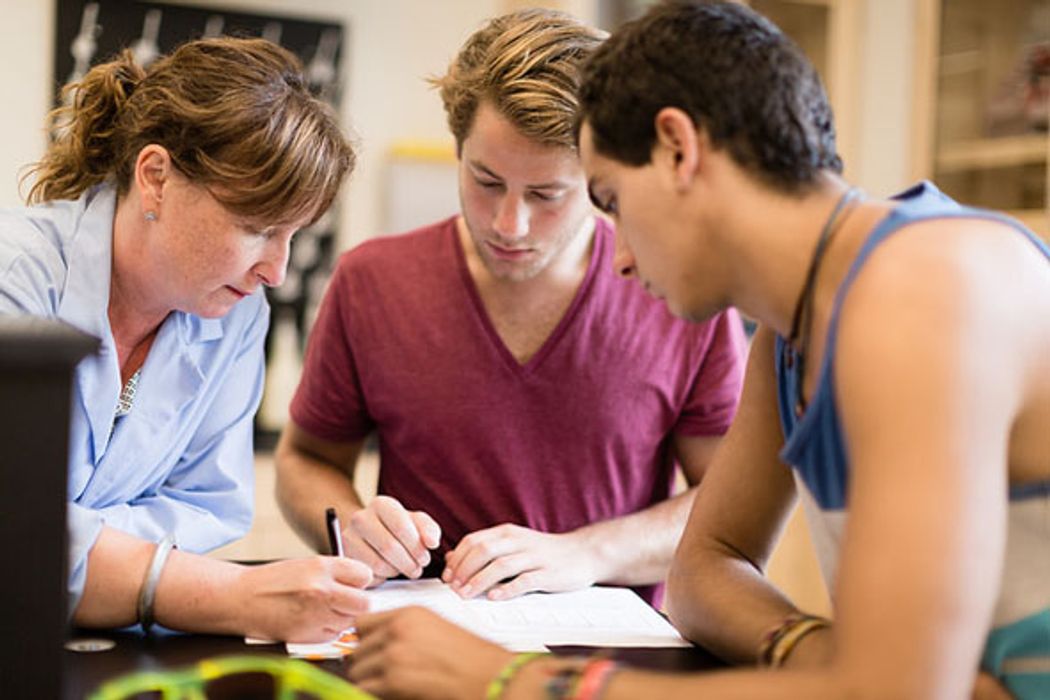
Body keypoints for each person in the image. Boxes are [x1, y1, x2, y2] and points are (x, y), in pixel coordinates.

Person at [345, 1, 1050, 698]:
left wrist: (517, 680)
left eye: (611, 199)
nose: (618, 261)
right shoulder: (792, 330)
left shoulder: (925, 287)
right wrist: (826, 657)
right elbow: (701, 574)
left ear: (678, 150)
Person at [275, 8, 746, 606]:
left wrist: (585, 552)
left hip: (610, 668)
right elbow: (305, 458)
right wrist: (350, 523)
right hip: (419, 648)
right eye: (486, 180)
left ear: (602, 179)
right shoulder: (370, 281)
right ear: (458, 147)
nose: (509, 224)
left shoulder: (685, 298)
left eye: (548, 194)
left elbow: (729, 506)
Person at [0, 37, 370, 642]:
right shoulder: (13, 278)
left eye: (293, 235)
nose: (275, 272)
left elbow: (208, 507)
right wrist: (230, 594)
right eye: (256, 228)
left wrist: (76, 541)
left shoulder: (234, 317)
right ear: (155, 178)